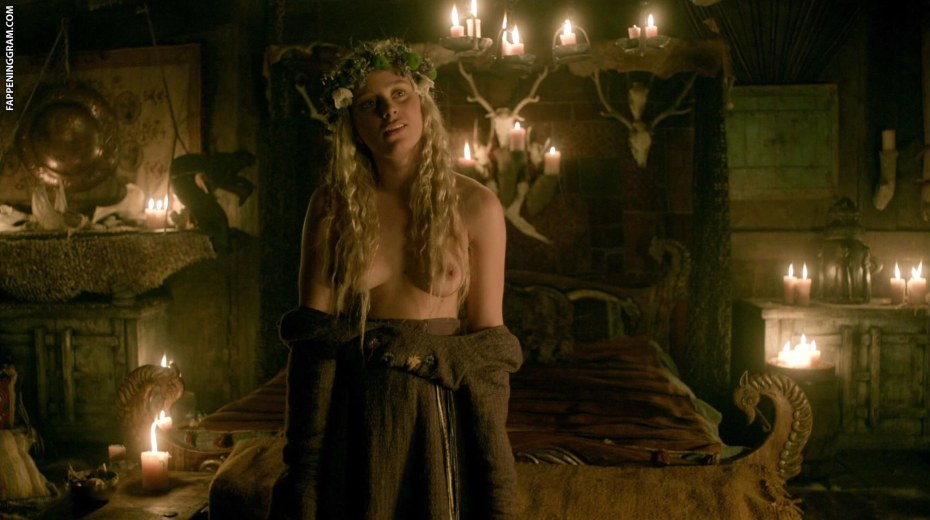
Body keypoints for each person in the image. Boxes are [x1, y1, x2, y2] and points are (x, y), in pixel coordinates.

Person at [268, 39, 523, 520]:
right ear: (353, 123)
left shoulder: (477, 206)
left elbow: (489, 346)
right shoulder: (332, 206)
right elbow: (311, 345)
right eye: (370, 104)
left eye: (399, 94)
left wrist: (496, 485)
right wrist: (301, 474)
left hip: (437, 413)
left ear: (422, 102)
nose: (389, 111)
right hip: (356, 414)